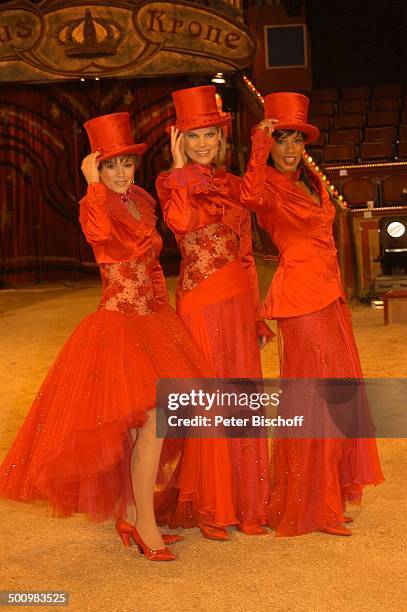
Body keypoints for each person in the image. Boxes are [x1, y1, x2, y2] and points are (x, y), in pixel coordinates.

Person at [0, 112, 212, 561]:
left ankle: (134, 515)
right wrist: (92, 187)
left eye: (126, 164)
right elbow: (97, 234)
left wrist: (163, 310)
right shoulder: (93, 204)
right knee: (154, 420)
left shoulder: (141, 200)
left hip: (151, 319)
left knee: (149, 426)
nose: (120, 173)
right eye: (109, 165)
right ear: (95, 168)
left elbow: (154, 263)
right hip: (116, 322)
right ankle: (145, 526)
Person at [240, 92, 384, 536]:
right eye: (281, 139)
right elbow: (249, 195)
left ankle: (327, 493)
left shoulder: (311, 181)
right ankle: (310, 503)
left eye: (295, 141)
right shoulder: (265, 184)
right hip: (301, 301)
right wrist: (258, 147)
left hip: (330, 298)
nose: (288, 149)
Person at [155, 86, 273, 539]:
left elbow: (246, 252)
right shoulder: (171, 183)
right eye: (193, 136)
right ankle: (211, 506)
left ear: (221, 139)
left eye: (209, 136)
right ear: (180, 141)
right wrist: (181, 169)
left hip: (237, 300)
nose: (203, 143)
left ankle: (248, 505)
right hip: (200, 301)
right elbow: (182, 225)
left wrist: (258, 313)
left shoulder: (231, 185)